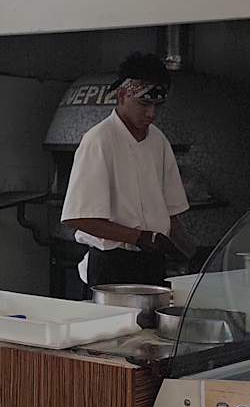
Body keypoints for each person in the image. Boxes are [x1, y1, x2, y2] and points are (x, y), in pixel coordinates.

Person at [62, 52, 189, 290]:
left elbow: (171, 211)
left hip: (152, 260)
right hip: (111, 263)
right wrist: (138, 237)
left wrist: (192, 254)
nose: (152, 113)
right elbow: (77, 217)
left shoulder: (158, 141)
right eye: (144, 103)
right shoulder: (99, 140)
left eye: (157, 105)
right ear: (122, 95)